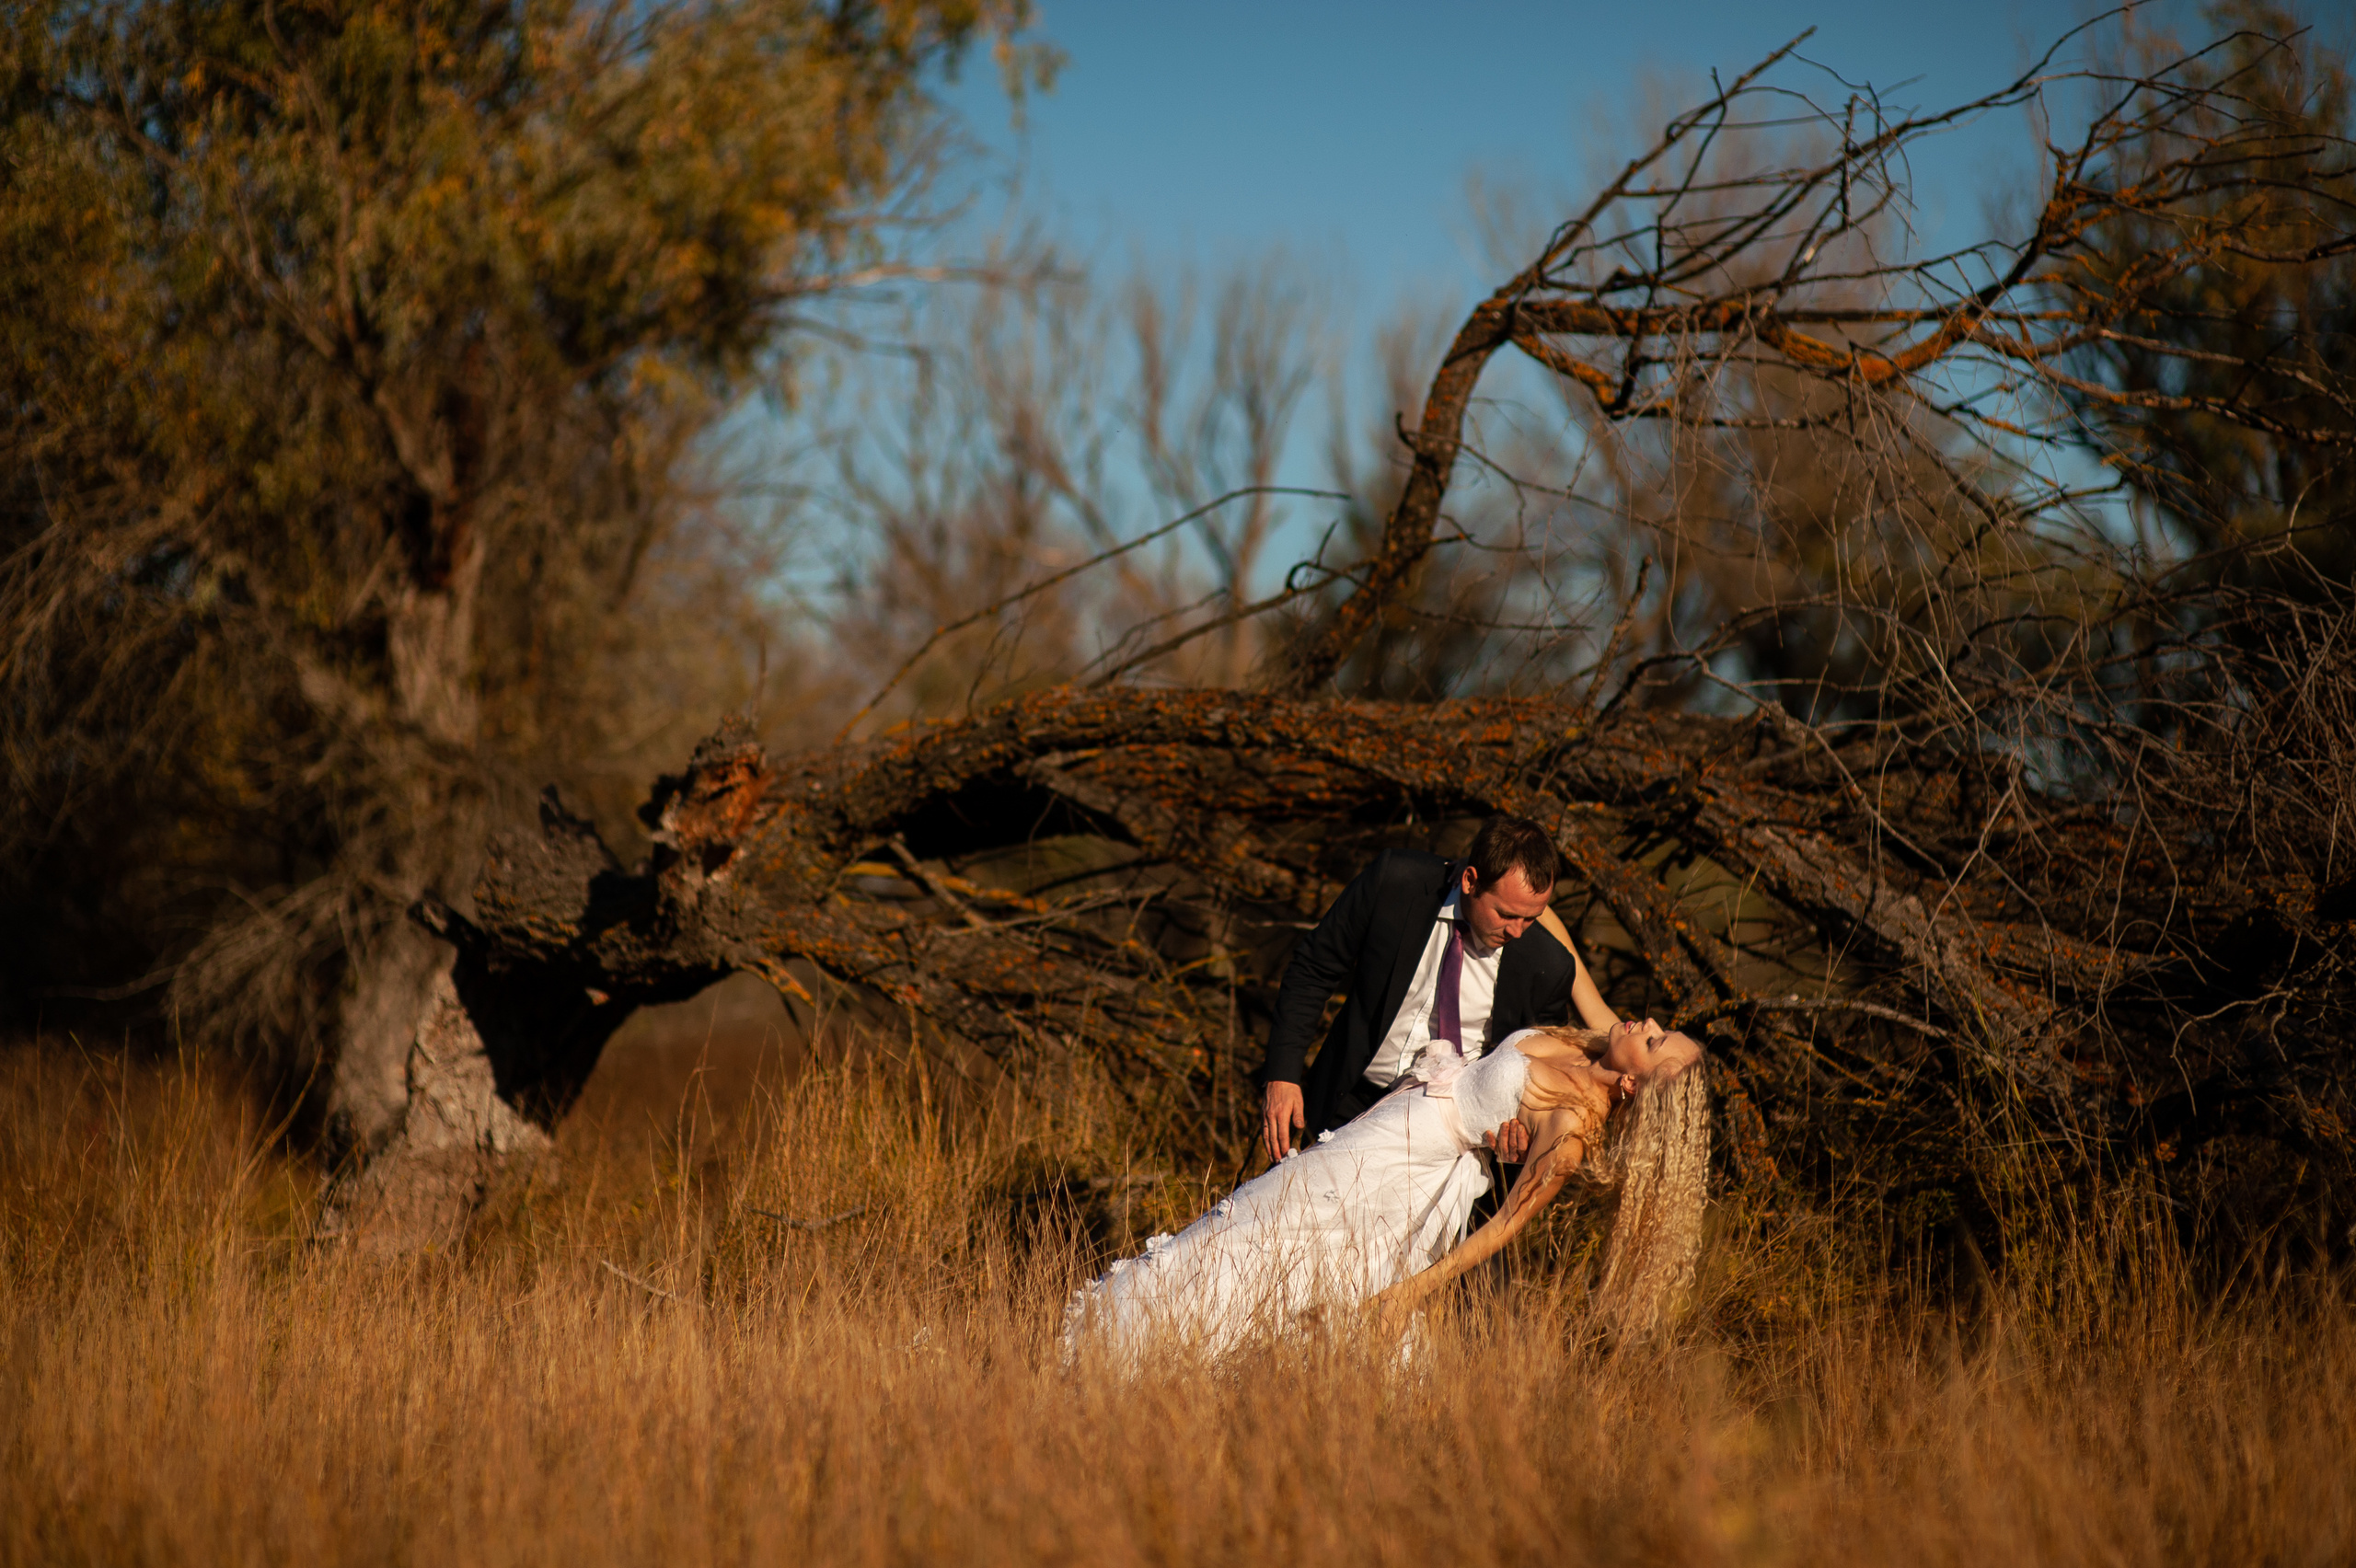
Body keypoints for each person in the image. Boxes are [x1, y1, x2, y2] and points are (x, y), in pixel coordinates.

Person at [1061, 1019, 1706, 1364]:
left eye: (1656, 1040)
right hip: (1376, 1137)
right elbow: (1565, 956)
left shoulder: (1571, 1130)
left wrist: (1408, 1295)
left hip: (1401, 1171)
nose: (1647, 1021)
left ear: (1635, 1087)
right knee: (1254, 1220)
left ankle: (1150, 1352)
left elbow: (1504, 1226)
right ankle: (1127, 1338)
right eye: (1660, 1024)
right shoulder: (1591, 1045)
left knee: (1286, 1250)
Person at [1258, 816, 1622, 1169]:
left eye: (1531, 918)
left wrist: (1522, 1135)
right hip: (1348, 1099)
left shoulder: (1547, 966)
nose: (1517, 931)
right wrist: (1282, 1074)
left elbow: (1540, 1071)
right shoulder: (1395, 883)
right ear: (1470, 881)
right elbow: (1314, 968)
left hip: (1447, 1139)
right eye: (1506, 914)